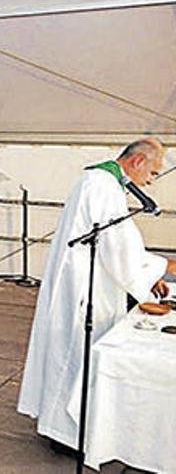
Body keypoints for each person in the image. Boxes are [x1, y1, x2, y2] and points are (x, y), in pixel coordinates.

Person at [17, 138, 176, 456]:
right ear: (137, 161)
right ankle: (65, 434)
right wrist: (160, 267)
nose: (152, 181)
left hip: (85, 282)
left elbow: (117, 243)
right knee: (74, 356)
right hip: (83, 289)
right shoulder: (103, 185)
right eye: (154, 173)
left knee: (71, 355)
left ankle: (62, 428)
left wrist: (150, 272)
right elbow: (117, 247)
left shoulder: (101, 181)